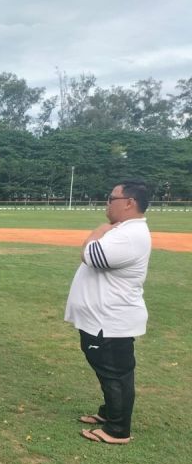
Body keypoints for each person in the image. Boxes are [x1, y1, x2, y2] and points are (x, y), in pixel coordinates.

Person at [65, 181, 151, 445]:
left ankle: (117, 430)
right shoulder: (124, 231)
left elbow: (89, 254)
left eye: (111, 198)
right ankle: (110, 413)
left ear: (129, 203)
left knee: (115, 373)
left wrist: (98, 231)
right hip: (103, 320)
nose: (107, 203)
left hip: (111, 321)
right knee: (107, 370)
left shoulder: (129, 235)